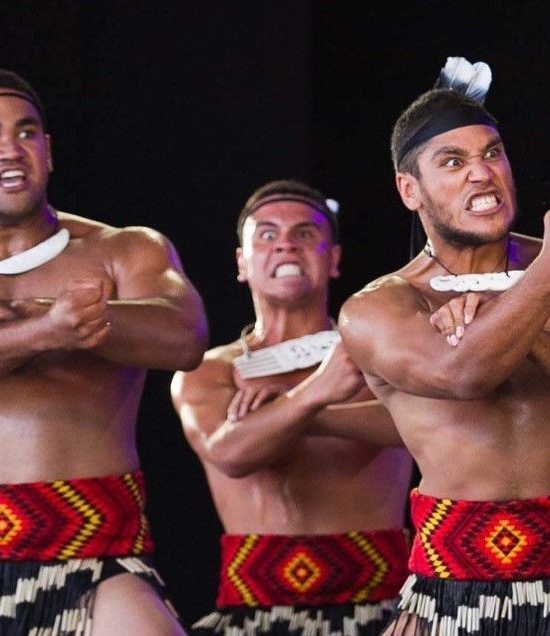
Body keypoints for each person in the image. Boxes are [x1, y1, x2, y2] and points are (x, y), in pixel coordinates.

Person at [337, 87, 550, 634]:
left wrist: (536, 331)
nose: (481, 173)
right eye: (453, 162)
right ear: (410, 190)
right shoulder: (378, 307)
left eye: (492, 153)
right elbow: (465, 375)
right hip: (450, 592)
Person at [0, 65, 208, 635]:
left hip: (101, 562)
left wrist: (29, 317)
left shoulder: (123, 249)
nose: (11, 148)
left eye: (26, 132)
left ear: (48, 153)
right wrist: (57, 324)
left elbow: (184, 337)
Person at [170, 179, 414, 635]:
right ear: (242, 263)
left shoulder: (375, 352)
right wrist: (315, 394)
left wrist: (294, 415)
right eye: (266, 234)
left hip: (385, 611)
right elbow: (230, 453)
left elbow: (421, 429)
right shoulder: (207, 370)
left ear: (333, 258)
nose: (285, 244)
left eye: (305, 234)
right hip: (250, 616)